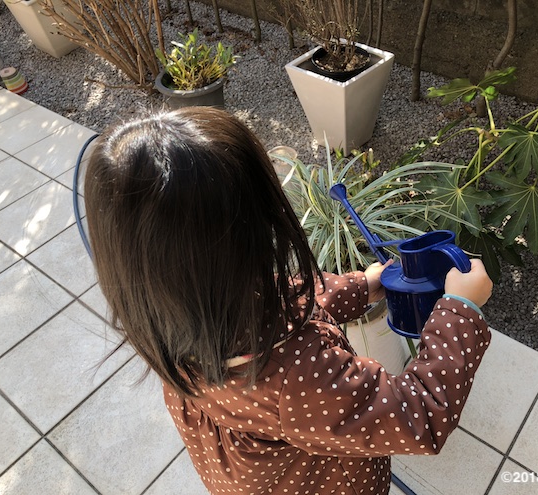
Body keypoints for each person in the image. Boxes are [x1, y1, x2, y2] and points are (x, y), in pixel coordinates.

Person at [84, 106, 493, 494]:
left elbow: (290, 300)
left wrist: (362, 286)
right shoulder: (295, 376)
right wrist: (461, 312)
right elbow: (418, 416)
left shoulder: (172, 318)